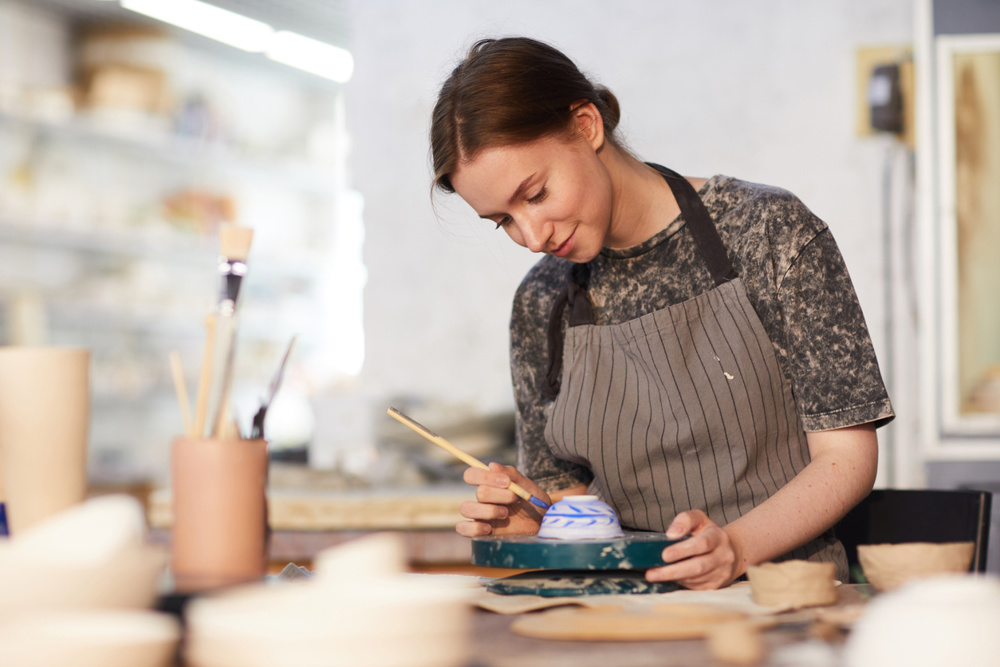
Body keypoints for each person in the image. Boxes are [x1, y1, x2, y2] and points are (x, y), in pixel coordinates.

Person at [429, 36, 893, 590]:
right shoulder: (541, 301)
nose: (530, 237)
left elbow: (847, 457)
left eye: (535, 193)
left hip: (776, 601)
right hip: (616, 611)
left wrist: (736, 547)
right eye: (502, 220)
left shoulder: (768, 232)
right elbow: (568, 504)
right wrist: (531, 519)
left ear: (586, 124)